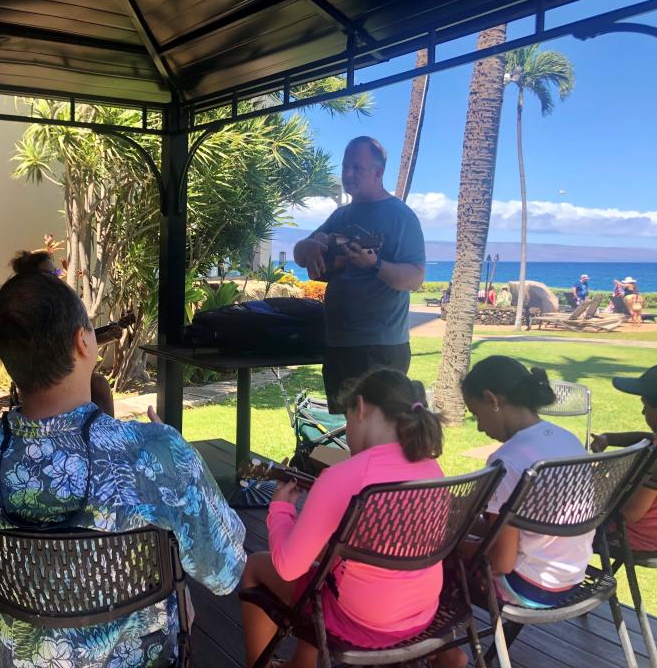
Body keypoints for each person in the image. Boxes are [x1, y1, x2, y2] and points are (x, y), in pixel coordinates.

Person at [0, 271, 246, 668]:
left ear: (4, 359)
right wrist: (171, 455)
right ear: (82, 340)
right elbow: (224, 570)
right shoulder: (157, 453)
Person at [241, 370, 450, 668]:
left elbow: (287, 567)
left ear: (361, 407)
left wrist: (281, 509)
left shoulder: (344, 475)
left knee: (257, 565)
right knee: (324, 569)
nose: (348, 429)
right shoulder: (432, 469)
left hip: (363, 622)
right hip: (422, 613)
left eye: (347, 419)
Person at [292, 137, 425, 413]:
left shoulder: (401, 217)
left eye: (356, 168)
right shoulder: (341, 216)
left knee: (381, 436)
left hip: (380, 348)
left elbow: (415, 278)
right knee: (350, 431)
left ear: (377, 173)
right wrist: (309, 246)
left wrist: (375, 265)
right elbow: (300, 253)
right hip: (339, 343)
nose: (348, 174)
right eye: (345, 167)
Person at [461, 356, 593, 607]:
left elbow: (501, 562)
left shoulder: (507, 460)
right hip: (571, 578)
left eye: (476, 414)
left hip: (528, 588)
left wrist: (450, 543)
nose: (478, 427)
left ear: (492, 400)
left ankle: (448, 646)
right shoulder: (567, 439)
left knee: (435, 565)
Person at [11, 248, 120, 416]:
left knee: (99, 384)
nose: (55, 277)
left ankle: (108, 433)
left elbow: (73, 343)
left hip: (63, 372)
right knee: (97, 385)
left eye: (55, 272)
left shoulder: (60, 304)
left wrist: (108, 335)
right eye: (50, 273)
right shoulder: (23, 310)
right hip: (41, 378)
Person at [591, 365, 657, 551]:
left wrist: (600, 486)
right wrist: (609, 438)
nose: (643, 413)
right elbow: (648, 437)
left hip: (635, 536)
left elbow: (630, 513)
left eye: (645, 406)